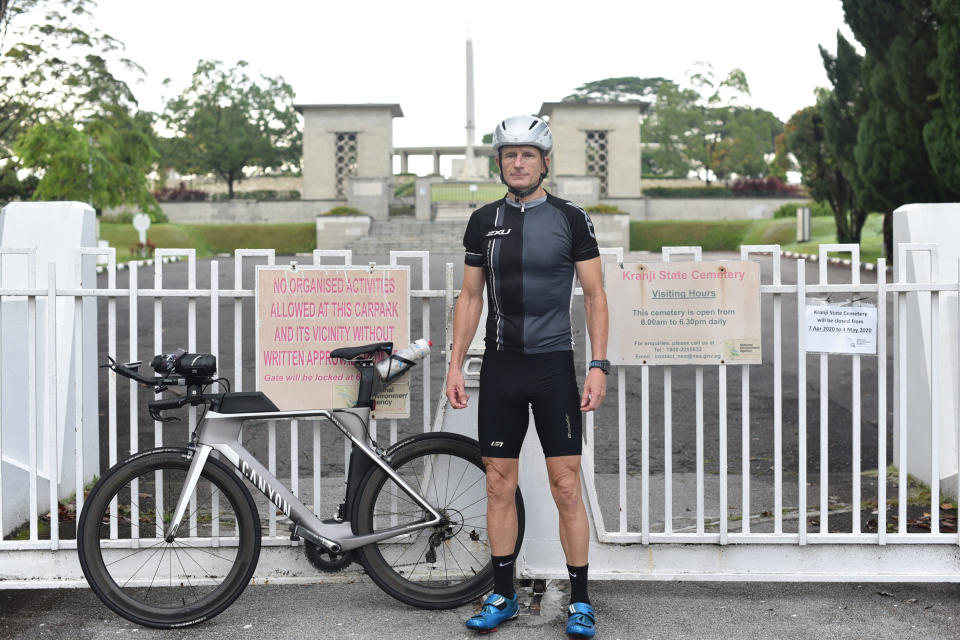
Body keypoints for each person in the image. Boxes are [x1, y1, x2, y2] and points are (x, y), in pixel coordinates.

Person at [446, 115, 609, 638]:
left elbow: (595, 295)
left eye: (528, 155)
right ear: (499, 163)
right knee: (498, 483)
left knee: (565, 485)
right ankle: (502, 594)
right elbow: (470, 297)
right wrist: (454, 362)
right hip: (502, 367)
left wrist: (598, 365)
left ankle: (580, 600)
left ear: (544, 162)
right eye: (509, 155)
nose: (518, 163)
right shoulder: (483, 220)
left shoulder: (570, 218)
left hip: (554, 366)